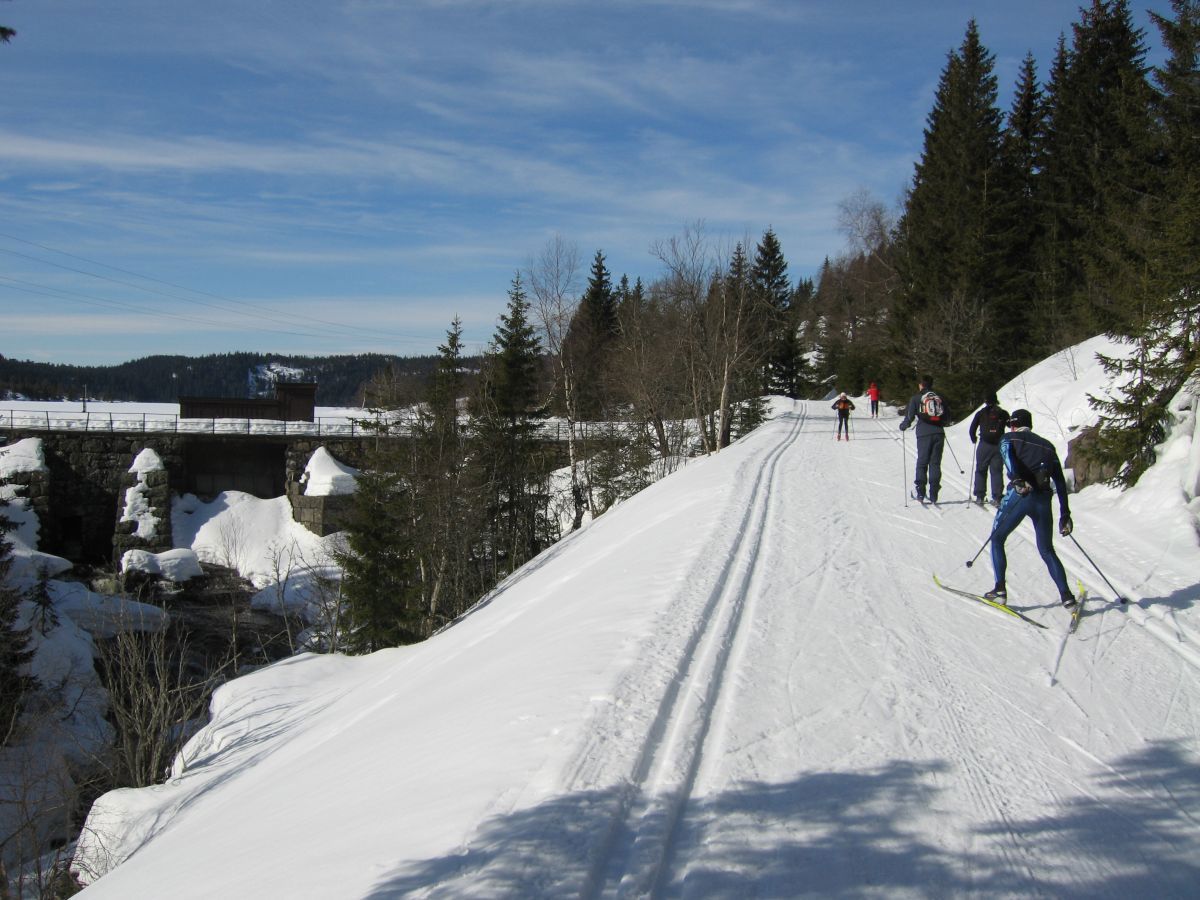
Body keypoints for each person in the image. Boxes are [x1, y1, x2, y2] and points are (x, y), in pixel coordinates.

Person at [984, 408, 1076, 608]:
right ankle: (1067, 596)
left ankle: (1000, 589)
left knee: (998, 538)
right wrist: (1065, 514)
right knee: (1047, 550)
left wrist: (1017, 479)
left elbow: (1008, 458)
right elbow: (1060, 483)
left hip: (1020, 495)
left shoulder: (1009, 438)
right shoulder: (1048, 446)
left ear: (1014, 424)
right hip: (1043, 500)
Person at [898, 375, 950, 503]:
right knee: (935, 463)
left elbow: (909, 417)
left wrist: (904, 426)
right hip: (939, 433)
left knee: (922, 462)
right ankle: (934, 494)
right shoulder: (940, 398)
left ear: (921, 385)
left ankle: (921, 493)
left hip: (923, 434)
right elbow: (947, 418)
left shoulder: (916, 398)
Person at [968, 392, 1009, 506]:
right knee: (996, 472)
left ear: (986, 401)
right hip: (998, 446)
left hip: (984, 445)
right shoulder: (1003, 413)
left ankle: (980, 496)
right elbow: (1011, 425)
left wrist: (973, 439)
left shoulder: (981, 413)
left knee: (981, 470)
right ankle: (997, 498)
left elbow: (972, 429)